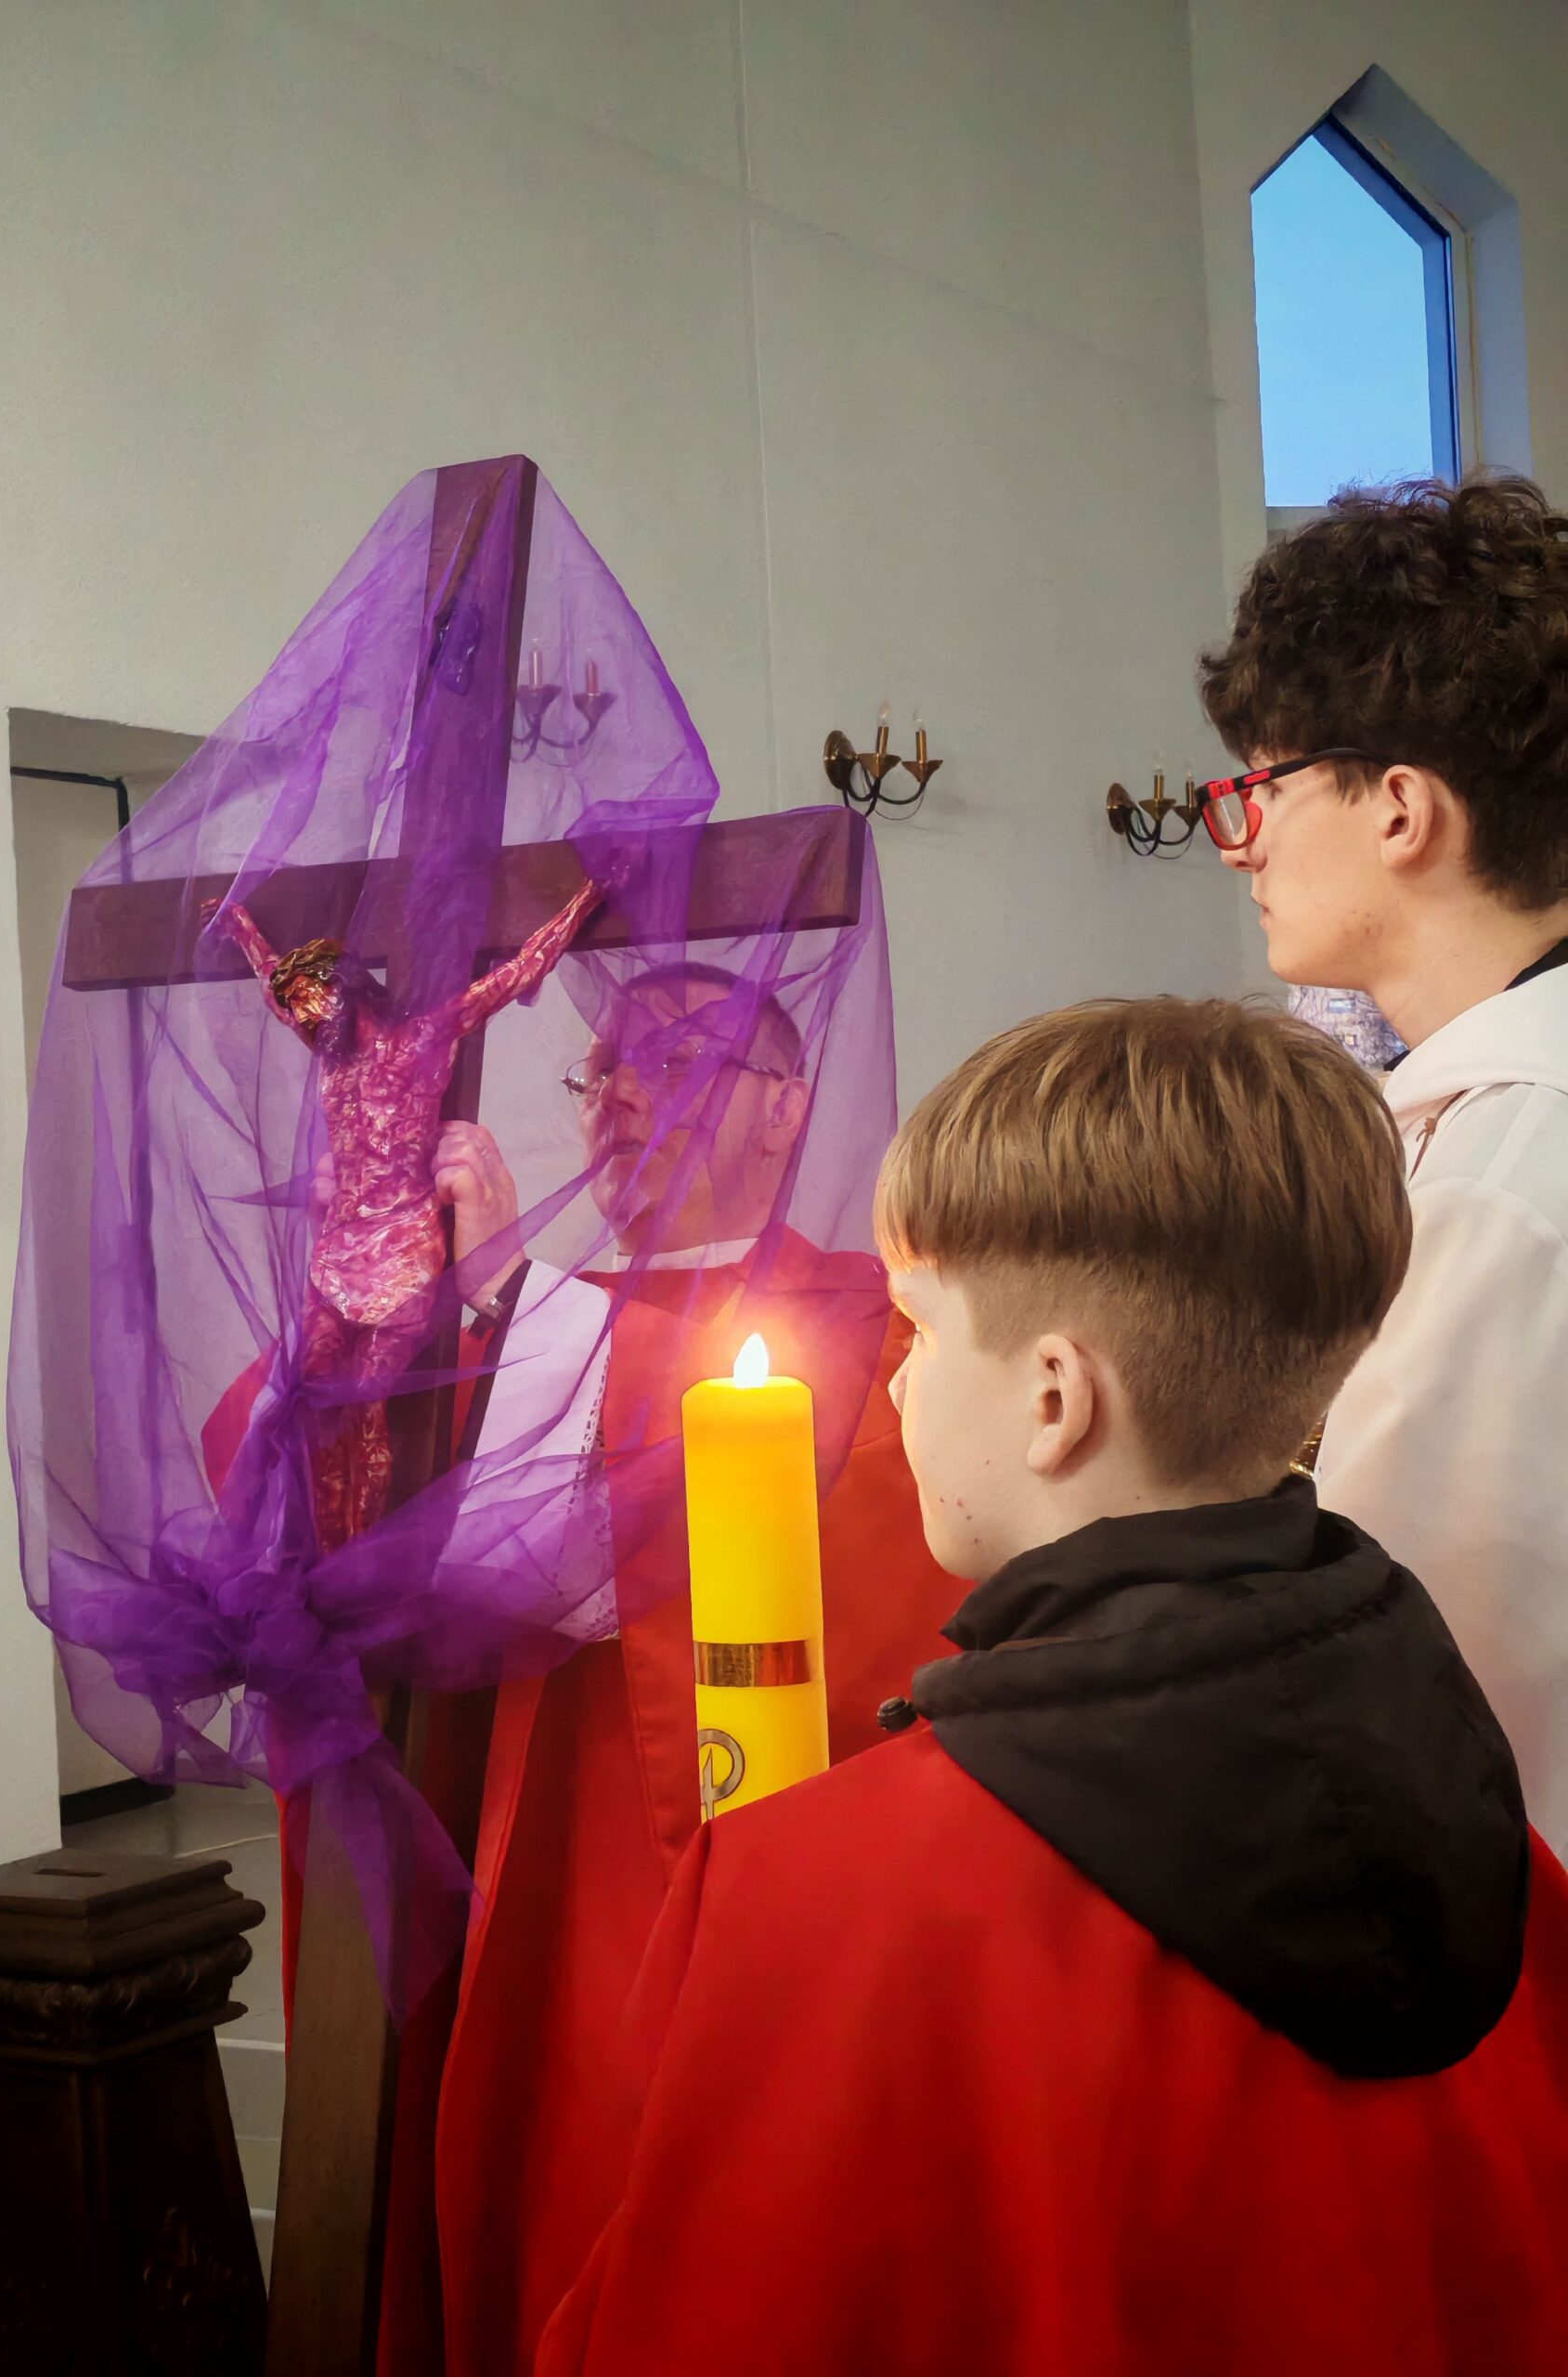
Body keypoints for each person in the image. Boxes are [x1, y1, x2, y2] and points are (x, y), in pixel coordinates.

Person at [536, 998, 1568, 2377]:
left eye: (916, 1330)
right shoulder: (1483, 1802)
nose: (895, 1384)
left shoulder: (830, 1893)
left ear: (1052, 1401)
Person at [411, 958, 955, 2376]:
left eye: (669, 1065)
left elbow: (883, 1539)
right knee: (557, 2152)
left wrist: (522, 1306)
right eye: (599, 1070)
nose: (616, 1100)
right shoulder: (532, 1302)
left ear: (786, 1107)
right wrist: (403, 1310)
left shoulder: (876, 1312)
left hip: (753, 1843)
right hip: (552, 1835)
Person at [1195, 476, 1568, 1855]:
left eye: (1262, 787)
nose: (1242, 845)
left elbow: (1420, 1687)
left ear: (1401, 808)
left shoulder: (1498, 1178)